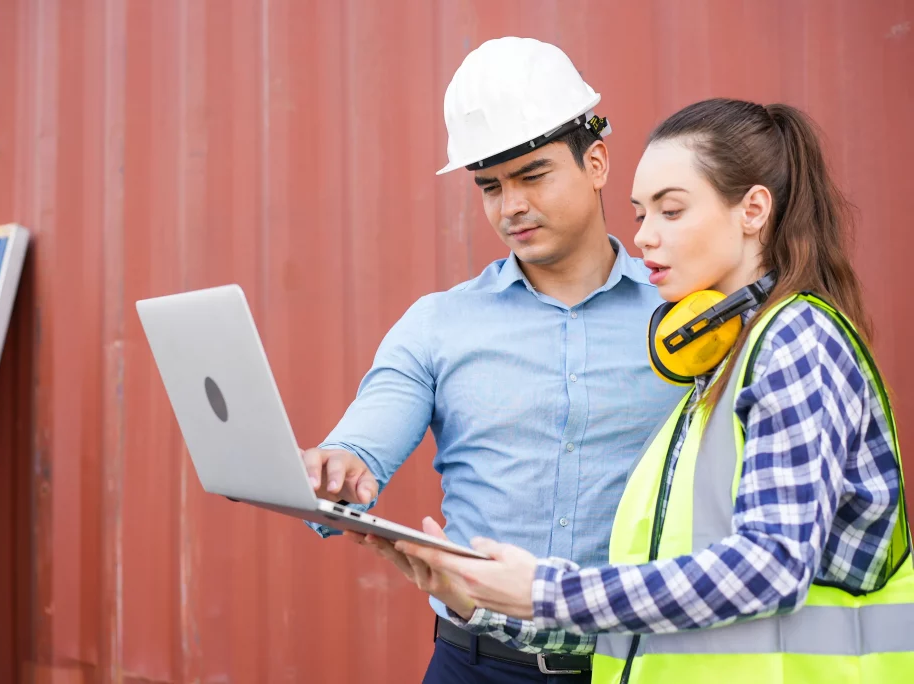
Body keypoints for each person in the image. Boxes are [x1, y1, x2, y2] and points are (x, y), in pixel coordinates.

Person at [392, 97, 914, 683]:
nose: (644, 237)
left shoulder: (797, 341)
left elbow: (772, 566)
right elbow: (671, 596)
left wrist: (544, 591)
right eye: (640, 215)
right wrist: (489, 598)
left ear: (753, 210)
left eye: (671, 211)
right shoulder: (726, 358)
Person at [299, 36, 686, 682]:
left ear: (596, 163)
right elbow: (363, 444)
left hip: (639, 669)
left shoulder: (690, 317)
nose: (511, 207)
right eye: (490, 187)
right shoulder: (438, 324)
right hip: (473, 666)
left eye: (533, 176)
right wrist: (339, 469)